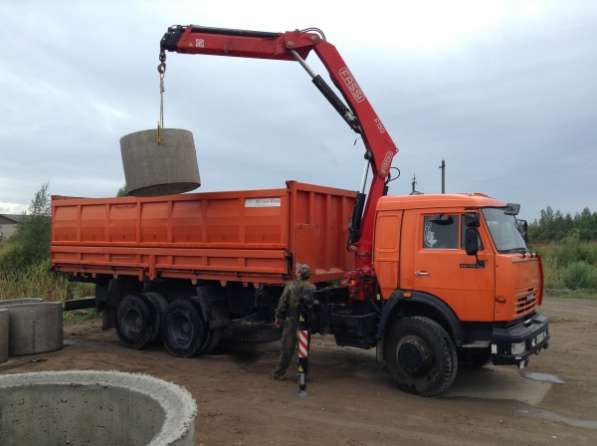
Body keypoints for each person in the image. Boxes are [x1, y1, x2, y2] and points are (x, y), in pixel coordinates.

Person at [272, 263, 315, 380]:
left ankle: (279, 373)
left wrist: (278, 317)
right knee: (303, 351)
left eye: (297, 270)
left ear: (299, 274)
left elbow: (283, 303)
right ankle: (302, 376)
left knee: (287, 349)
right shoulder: (312, 288)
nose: (295, 271)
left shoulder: (290, 286)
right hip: (304, 322)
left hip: (291, 321)